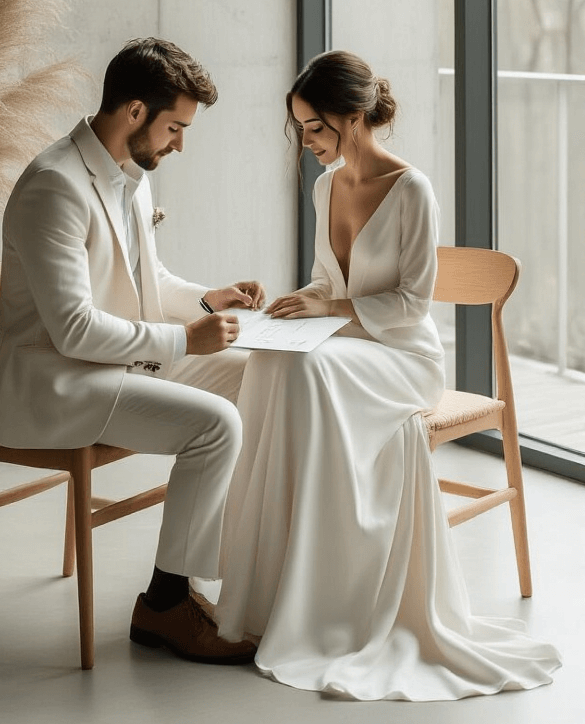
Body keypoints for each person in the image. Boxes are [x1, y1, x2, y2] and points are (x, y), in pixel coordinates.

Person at [214, 50, 561, 700]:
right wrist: (297, 303)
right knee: (269, 359)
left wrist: (328, 310)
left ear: (352, 117)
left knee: (308, 374)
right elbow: (326, 282)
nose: (306, 141)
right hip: (347, 344)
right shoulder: (325, 187)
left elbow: (409, 305)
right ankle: (274, 588)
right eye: (301, 128)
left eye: (314, 126)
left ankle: (329, 596)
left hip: (403, 356)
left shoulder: (411, 190)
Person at [0, 37, 265, 665]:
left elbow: (146, 279)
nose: (179, 145)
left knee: (257, 376)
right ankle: (165, 603)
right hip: (58, 383)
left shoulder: (130, 177)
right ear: (135, 111)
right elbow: (73, 331)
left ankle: (238, 570)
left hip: (111, 363)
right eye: (175, 128)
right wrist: (185, 340)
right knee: (215, 425)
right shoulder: (54, 186)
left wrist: (207, 300)